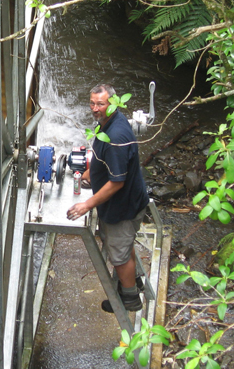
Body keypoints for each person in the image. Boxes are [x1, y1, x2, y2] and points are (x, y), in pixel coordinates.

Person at [66, 84, 149, 312]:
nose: (95, 108)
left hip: (123, 207)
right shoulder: (108, 123)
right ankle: (133, 281)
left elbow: (117, 182)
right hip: (127, 201)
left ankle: (130, 298)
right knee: (123, 244)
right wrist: (90, 173)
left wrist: (86, 205)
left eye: (100, 104)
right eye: (92, 103)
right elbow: (105, 161)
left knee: (119, 254)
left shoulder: (115, 137)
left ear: (112, 103)